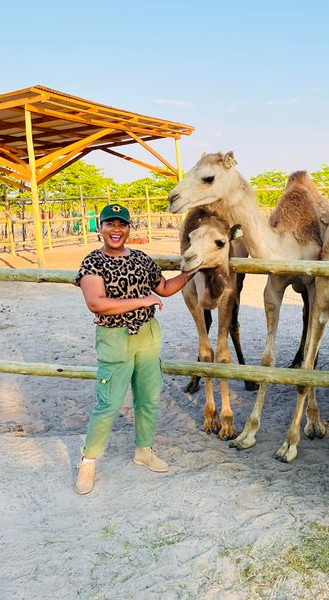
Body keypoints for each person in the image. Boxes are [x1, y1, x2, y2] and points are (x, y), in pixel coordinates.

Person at [73, 203, 194, 495]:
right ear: (99, 227)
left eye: (122, 224)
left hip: (148, 335)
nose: (116, 229)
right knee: (109, 403)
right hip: (115, 337)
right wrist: (142, 301)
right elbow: (96, 303)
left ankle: (144, 450)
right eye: (110, 224)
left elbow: (163, 287)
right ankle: (89, 461)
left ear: (129, 228)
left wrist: (192, 271)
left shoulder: (141, 258)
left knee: (149, 397)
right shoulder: (93, 263)